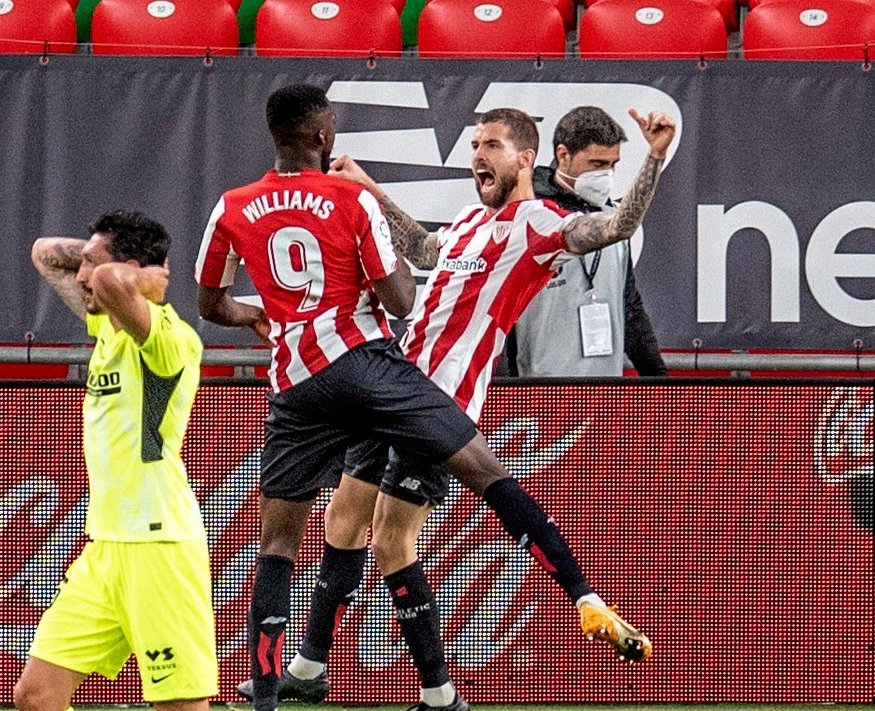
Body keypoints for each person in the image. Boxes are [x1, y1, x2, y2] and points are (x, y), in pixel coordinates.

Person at [195, 84, 674, 711]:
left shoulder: (541, 225)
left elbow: (616, 225)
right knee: (344, 521)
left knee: (391, 540)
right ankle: (328, 672)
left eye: (493, 145)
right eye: (474, 145)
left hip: (440, 398)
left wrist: (654, 158)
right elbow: (423, 249)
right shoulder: (471, 224)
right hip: (389, 384)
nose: (478, 155)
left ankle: (497, 651)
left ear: (526, 159)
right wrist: (369, 188)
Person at [15, 210, 218, 711]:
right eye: (81, 263)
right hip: (105, 548)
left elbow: (107, 278)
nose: (81, 276)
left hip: (160, 546)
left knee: (180, 706)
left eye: (92, 263)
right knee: (36, 696)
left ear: (127, 270)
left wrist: (143, 275)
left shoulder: (170, 341)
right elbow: (45, 252)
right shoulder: (108, 325)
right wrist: (133, 267)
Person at [505, 105, 668, 377]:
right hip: (536, 396)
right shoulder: (527, 216)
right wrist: (505, 395)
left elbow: (629, 308)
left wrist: (660, 381)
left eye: (612, 164)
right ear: (563, 154)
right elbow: (499, 320)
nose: (605, 174)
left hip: (602, 397)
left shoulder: (612, 217)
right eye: (596, 164)